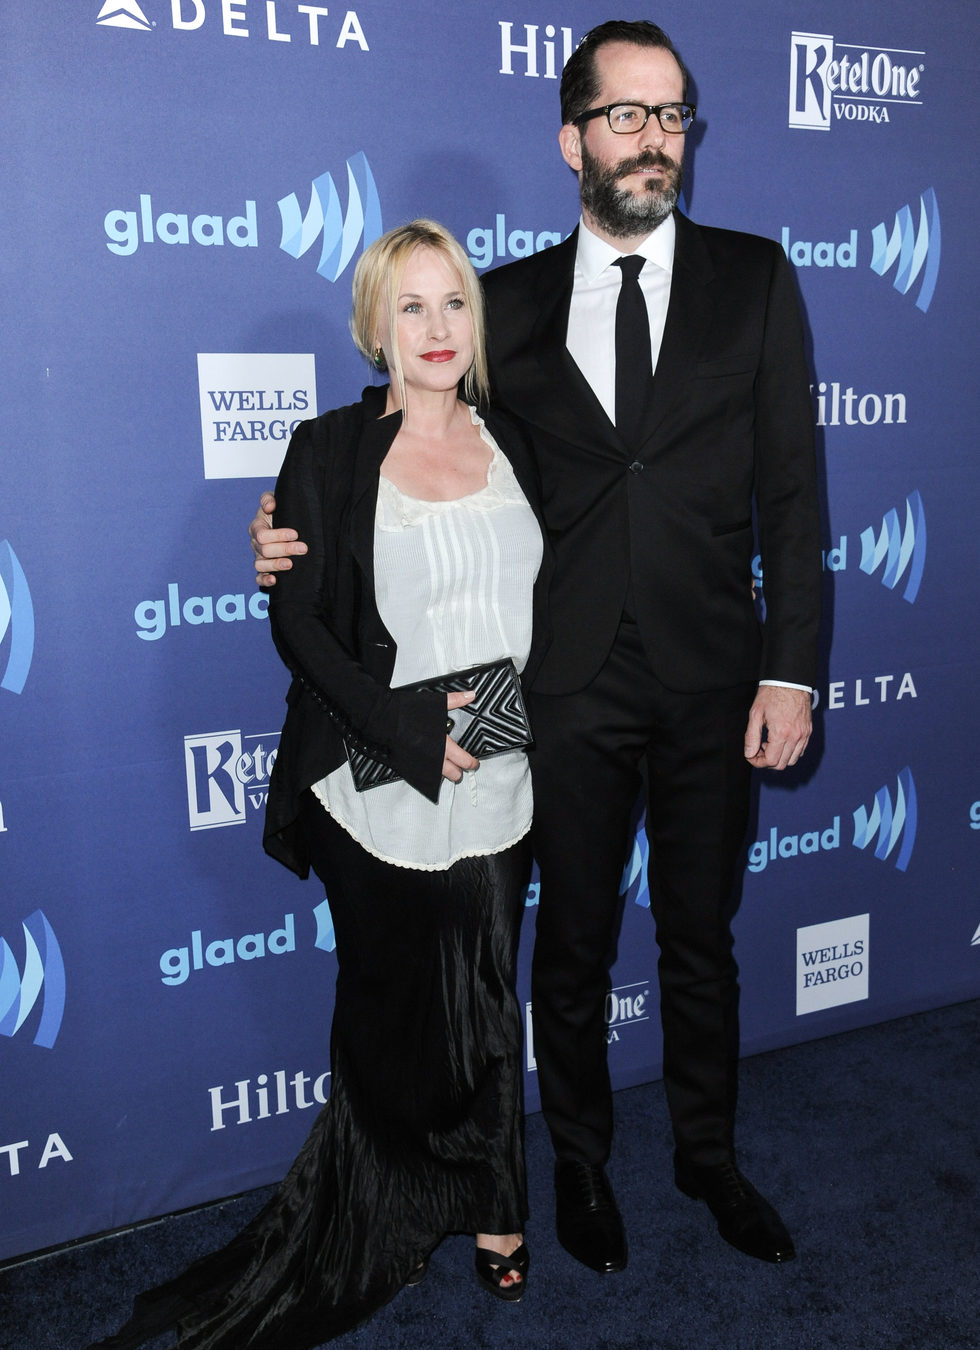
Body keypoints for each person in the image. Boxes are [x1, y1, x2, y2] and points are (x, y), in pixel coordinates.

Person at [254, 21, 822, 1276]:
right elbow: (415, 409)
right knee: (566, 944)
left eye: (670, 116)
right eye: (624, 116)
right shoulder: (501, 302)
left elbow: (793, 491)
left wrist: (791, 668)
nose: (650, 139)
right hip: (557, 689)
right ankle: (576, 1160)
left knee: (698, 932)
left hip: (713, 679)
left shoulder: (756, 278)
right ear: (571, 138)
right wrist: (301, 515)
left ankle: (708, 1158)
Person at [33, 220, 550, 1350]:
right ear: (375, 325)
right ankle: (379, 1207)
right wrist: (411, 733)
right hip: (374, 780)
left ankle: (489, 1204)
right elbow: (302, 628)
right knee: (385, 1011)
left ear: (475, 324)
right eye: (409, 307)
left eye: (454, 306)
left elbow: (563, 587)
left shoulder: (514, 440)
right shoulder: (325, 451)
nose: (434, 329)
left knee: (485, 993)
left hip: (504, 774)